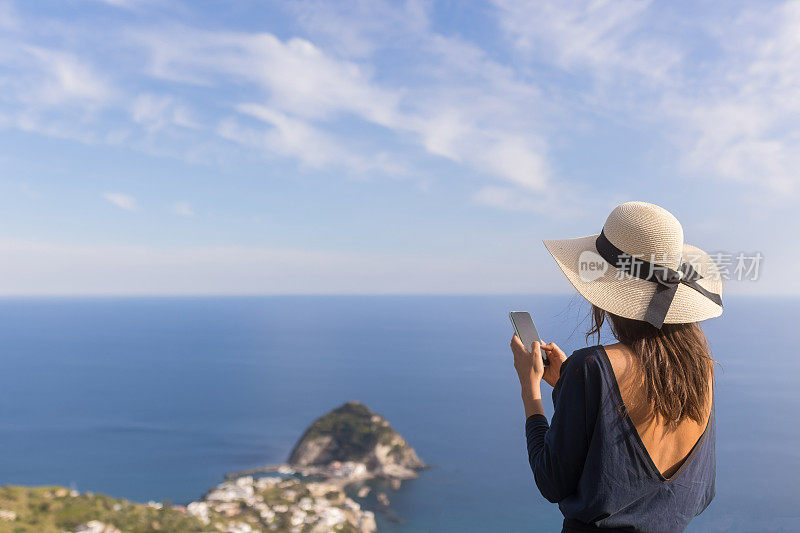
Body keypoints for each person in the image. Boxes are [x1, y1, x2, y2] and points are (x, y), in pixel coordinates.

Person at [511, 201, 722, 532]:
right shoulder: (701, 371)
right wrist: (571, 385)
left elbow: (551, 481)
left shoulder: (591, 367)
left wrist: (530, 387)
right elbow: (702, 493)